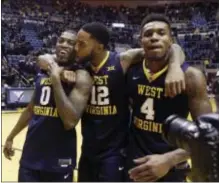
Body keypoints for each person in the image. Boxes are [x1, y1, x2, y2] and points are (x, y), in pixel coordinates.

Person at [70, 22, 186, 182]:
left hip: (115, 151)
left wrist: (174, 66)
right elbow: (47, 59)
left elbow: (172, 48)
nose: (76, 48)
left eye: (81, 44)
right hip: (88, 149)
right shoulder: (80, 65)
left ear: (98, 46)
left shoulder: (122, 61)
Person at [126, 13, 212, 182]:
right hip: (134, 161)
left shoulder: (191, 77)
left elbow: (208, 136)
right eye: (148, 34)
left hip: (171, 166)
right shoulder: (130, 69)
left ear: (171, 41)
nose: (154, 38)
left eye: (161, 33)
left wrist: (169, 160)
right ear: (140, 41)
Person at [3, 30, 93, 182]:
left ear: (77, 48)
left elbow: (70, 122)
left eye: (70, 43)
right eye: (61, 40)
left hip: (59, 158)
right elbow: (31, 109)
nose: (64, 44)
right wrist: (11, 137)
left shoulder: (80, 75)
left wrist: (56, 79)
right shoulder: (44, 68)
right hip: (31, 155)